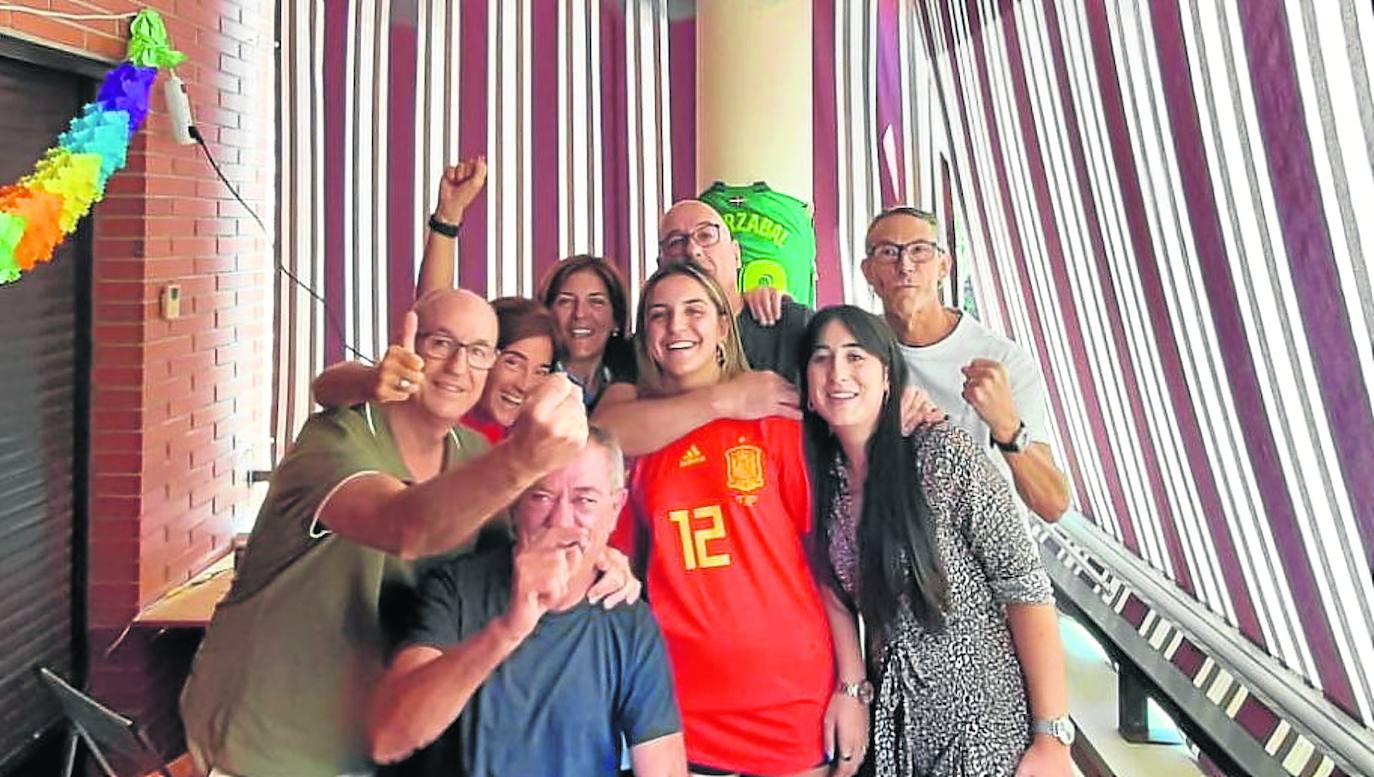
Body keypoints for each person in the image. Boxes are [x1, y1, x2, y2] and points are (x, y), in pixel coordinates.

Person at [180, 290, 638, 777]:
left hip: (378, 748)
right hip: (266, 749)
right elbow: (405, 526)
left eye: (479, 351)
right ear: (407, 349)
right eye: (441, 343)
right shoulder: (335, 440)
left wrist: (598, 557)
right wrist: (524, 457)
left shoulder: (471, 458)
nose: (459, 366)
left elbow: (522, 551)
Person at [800, 305, 1073, 777]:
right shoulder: (824, 481)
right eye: (821, 359)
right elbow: (834, 590)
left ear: (888, 377)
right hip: (895, 727)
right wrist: (855, 689)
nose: (837, 372)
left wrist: (1052, 736)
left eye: (855, 356)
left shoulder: (939, 452)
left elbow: (1024, 587)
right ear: (806, 388)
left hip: (982, 724)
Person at [616, 261, 859, 777]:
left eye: (694, 310)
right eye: (659, 315)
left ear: (724, 325)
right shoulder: (636, 439)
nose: (676, 326)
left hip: (790, 703)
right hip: (678, 708)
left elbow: (826, 563)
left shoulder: (775, 419)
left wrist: (851, 685)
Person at [369, 430, 687, 776]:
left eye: (585, 501)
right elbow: (388, 738)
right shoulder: (458, 590)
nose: (561, 520)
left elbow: (662, 766)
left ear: (615, 510)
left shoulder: (628, 620)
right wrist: (509, 629)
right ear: (515, 506)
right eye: (541, 497)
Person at [861, 206, 1070, 522]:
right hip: (900, 550)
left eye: (920, 251)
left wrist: (1007, 427)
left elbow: (1052, 505)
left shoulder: (1001, 360)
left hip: (989, 557)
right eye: (889, 252)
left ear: (943, 266)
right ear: (868, 272)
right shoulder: (855, 354)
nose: (905, 266)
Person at [537, 254, 638, 411]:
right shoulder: (530, 380)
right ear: (547, 312)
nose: (580, 314)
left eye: (596, 302)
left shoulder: (638, 377)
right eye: (566, 301)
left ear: (616, 318)